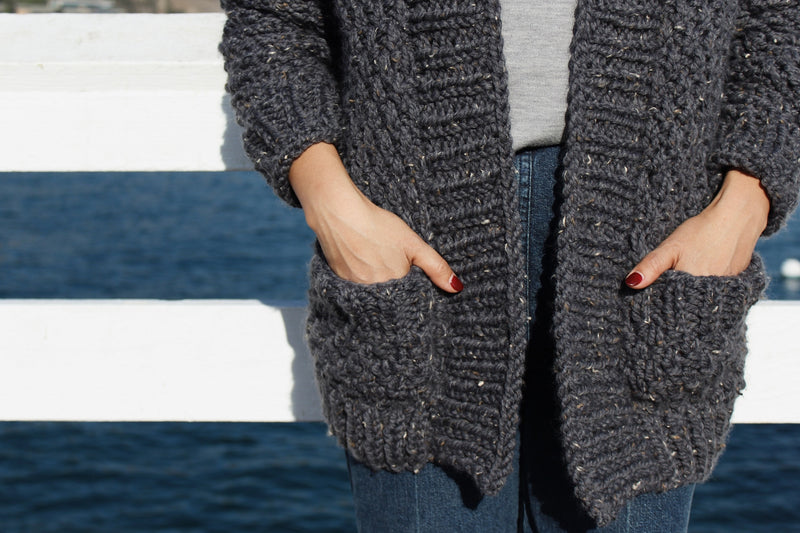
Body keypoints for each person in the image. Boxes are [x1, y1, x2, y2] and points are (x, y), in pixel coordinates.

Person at [219, 1, 800, 531]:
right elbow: (272, 22)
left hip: (649, 254)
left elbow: (782, 24)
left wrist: (745, 202)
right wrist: (330, 202)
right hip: (412, 241)